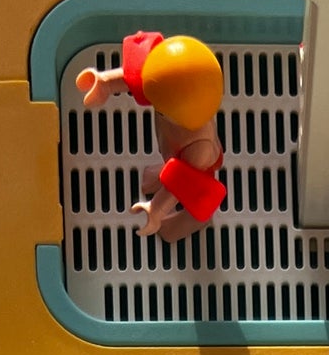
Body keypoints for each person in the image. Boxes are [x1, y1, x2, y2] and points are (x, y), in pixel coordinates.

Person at [76, 32, 226, 241]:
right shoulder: (166, 83)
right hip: (174, 150)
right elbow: (141, 79)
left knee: (197, 204)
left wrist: (156, 210)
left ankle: (193, 222)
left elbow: (179, 183)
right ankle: (162, 173)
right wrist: (105, 83)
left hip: (197, 173)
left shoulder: (199, 148)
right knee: (171, 165)